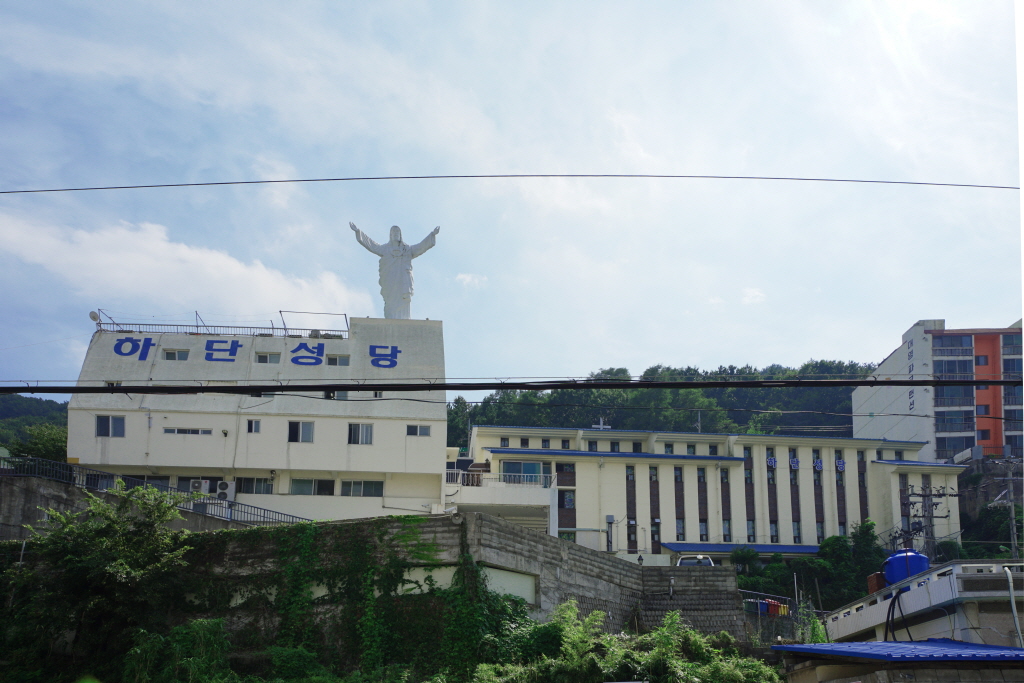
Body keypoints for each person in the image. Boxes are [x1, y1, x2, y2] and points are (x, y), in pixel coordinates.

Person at [350, 222, 439, 319]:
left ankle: (405, 320)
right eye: (393, 232)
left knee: (404, 298)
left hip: (404, 280)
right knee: (390, 299)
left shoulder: (407, 249)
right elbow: (372, 245)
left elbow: (420, 247)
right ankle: (391, 319)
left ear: (400, 235)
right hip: (390, 279)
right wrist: (358, 232)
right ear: (390, 235)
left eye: (397, 232)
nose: (395, 233)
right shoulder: (385, 249)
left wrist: (432, 235)